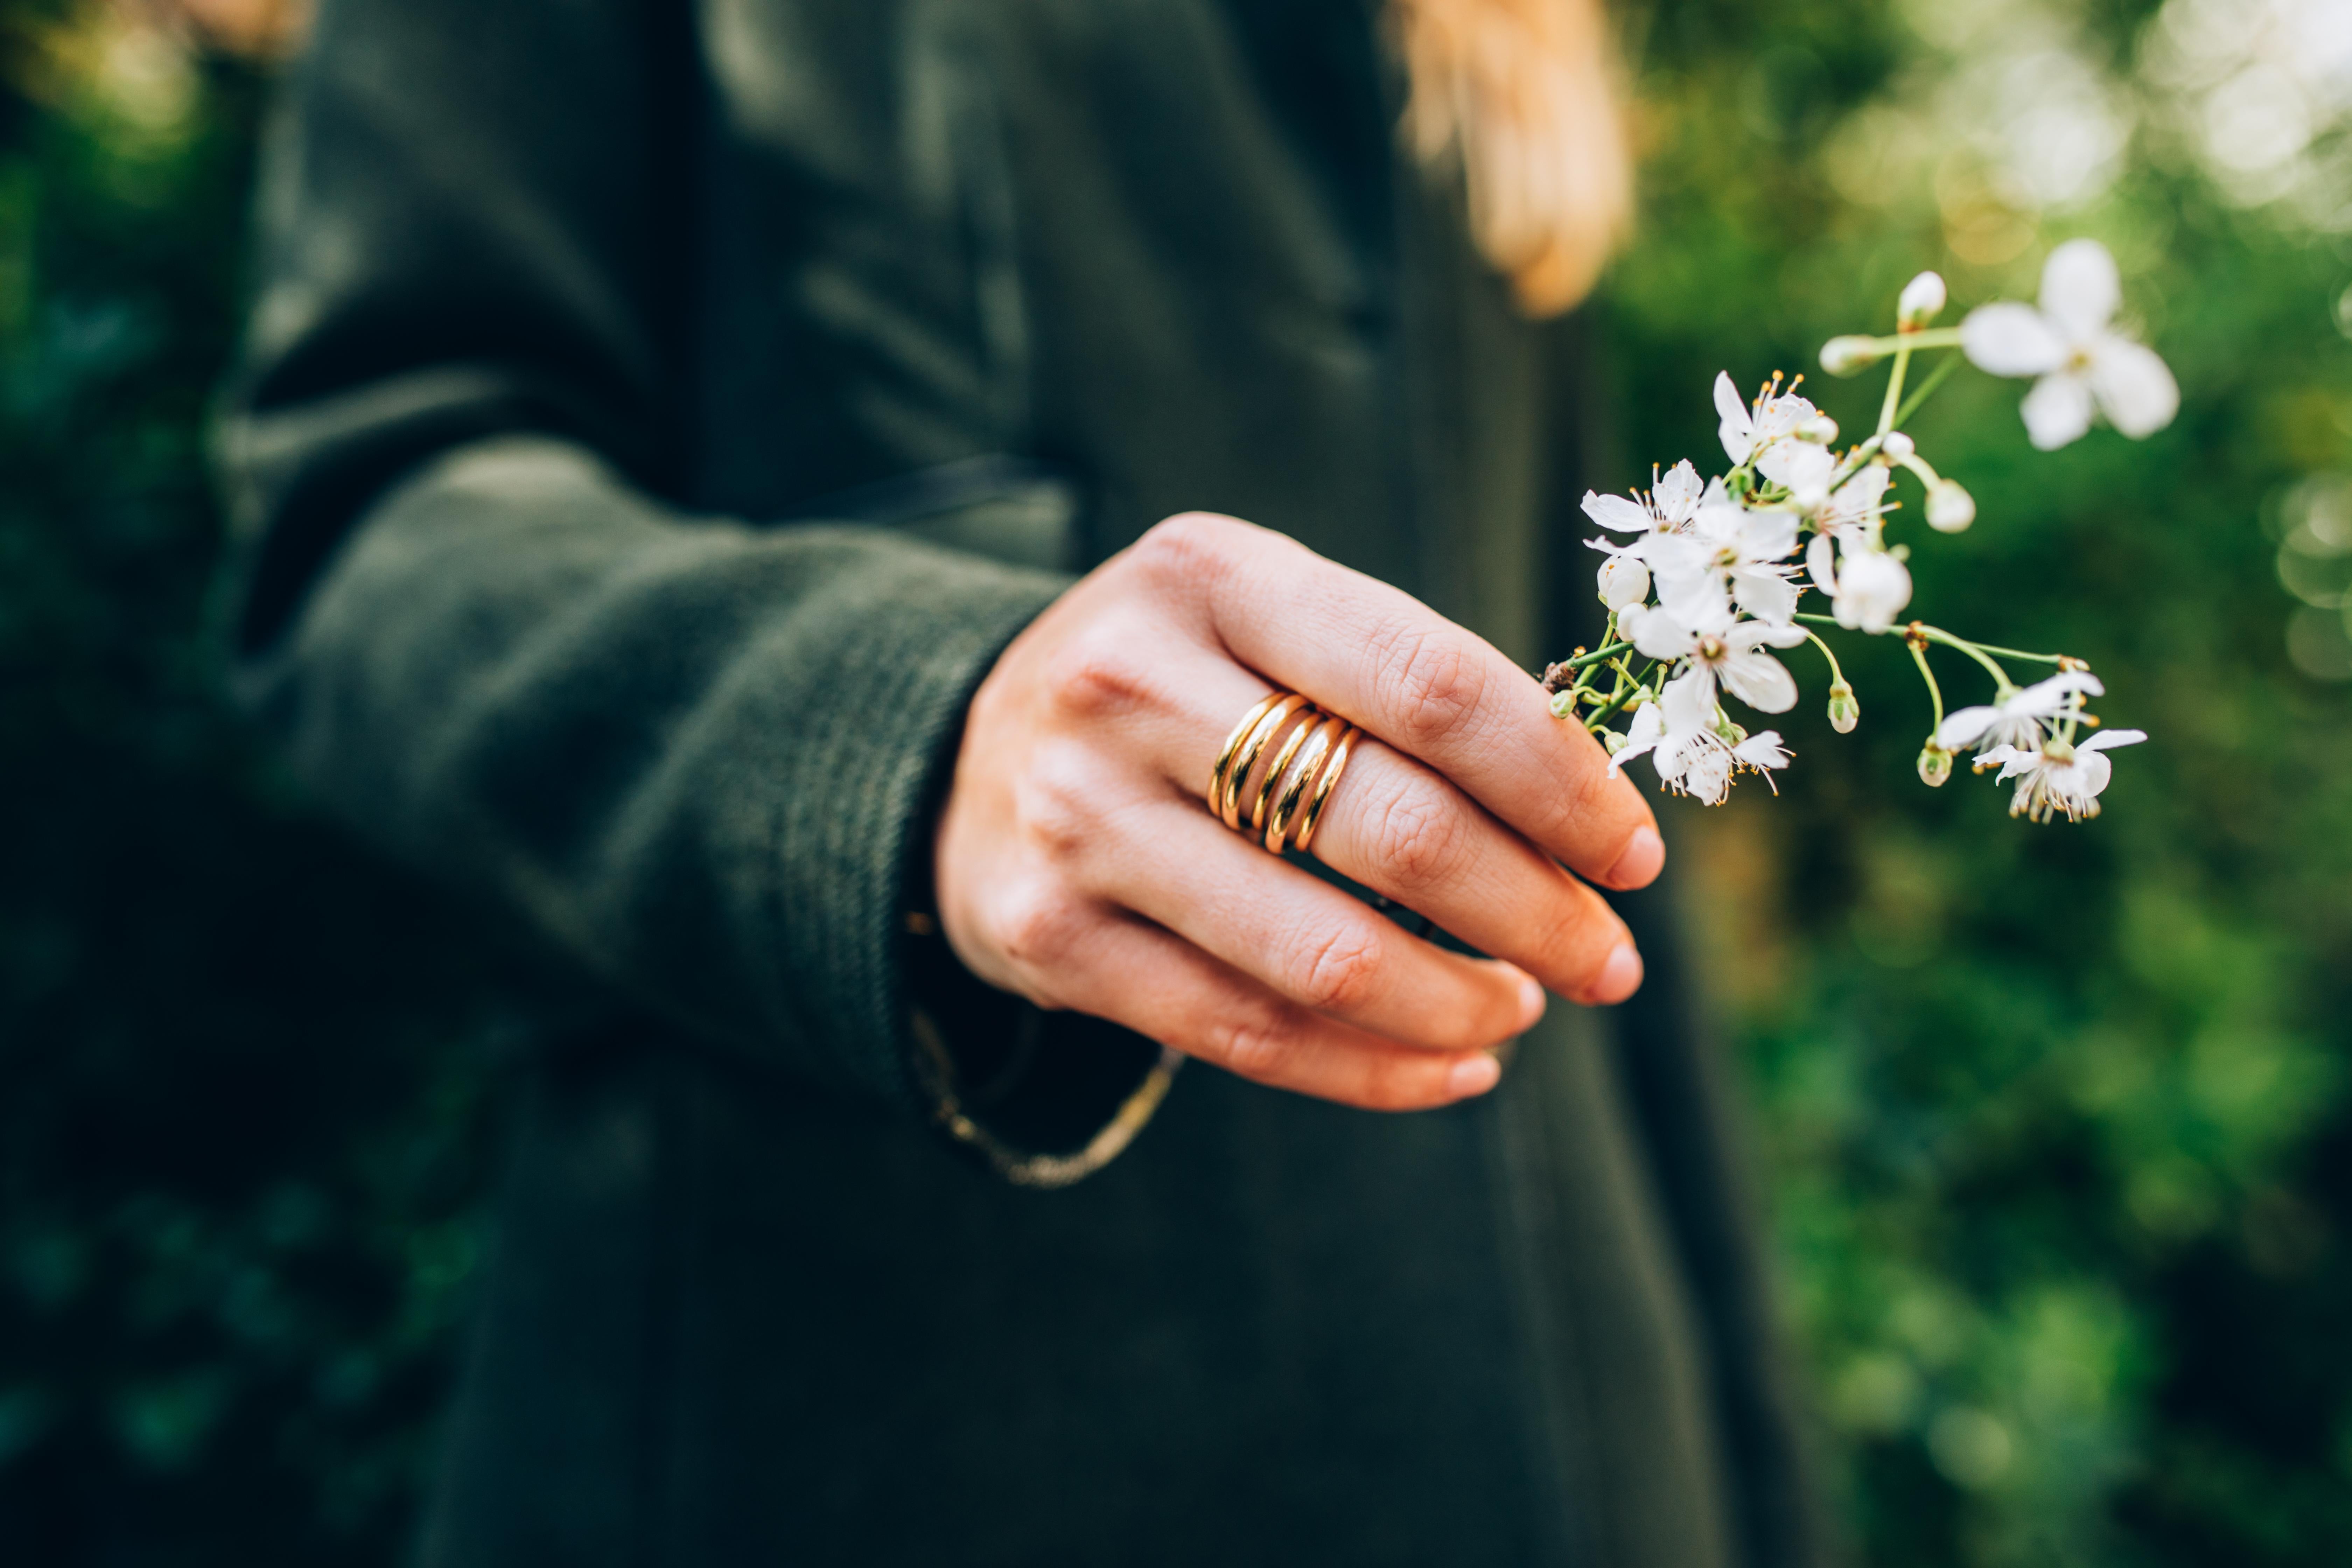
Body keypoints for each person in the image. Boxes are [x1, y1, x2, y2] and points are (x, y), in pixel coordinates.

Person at [219, 0, 1819, 1562]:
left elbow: (1605, 836)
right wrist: (912, 738)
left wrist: (1759, 1478)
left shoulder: (1501, 29)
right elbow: (377, 519)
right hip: (873, 1400)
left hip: (1558, 1424)